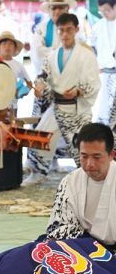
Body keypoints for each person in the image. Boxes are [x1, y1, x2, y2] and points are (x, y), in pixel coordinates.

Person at [22, 13, 100, 186]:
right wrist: (40, 85)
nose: (65, 34)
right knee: (41, 137)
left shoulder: (86, 54)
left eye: (69, 30)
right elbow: (43, 75)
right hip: (57, 106)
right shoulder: (52, 56)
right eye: (61, 30)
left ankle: (88, 177)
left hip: (78, 108)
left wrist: (78, 91)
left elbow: (94, 81)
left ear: (76, 30)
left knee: (81, 144)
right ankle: (38, 172)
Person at [46, 123, 116, 249]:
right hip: (80, 245)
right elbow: (59, 227)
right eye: (84, 156)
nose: (89, 164)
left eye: (96, 157)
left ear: (111, 155)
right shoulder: (70, 181)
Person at [90, 0, 116, 124]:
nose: (104, 14)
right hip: (105, 73)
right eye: (102, 11)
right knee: (104, 109)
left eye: (107, 10)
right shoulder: (98, 26)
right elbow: (91, 47)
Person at [0, 31, 32, 115]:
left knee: (12, 127)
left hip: (12, 106)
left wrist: (22, 91)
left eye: (11, 44)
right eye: (4, 43)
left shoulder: (19, 66)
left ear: (15, 49)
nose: (7, 47)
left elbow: (29, 83)